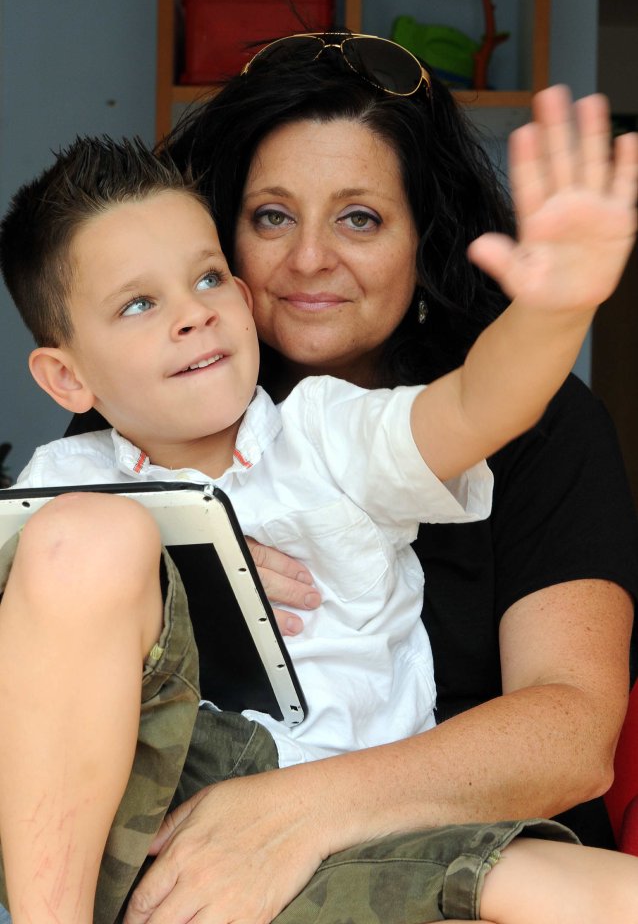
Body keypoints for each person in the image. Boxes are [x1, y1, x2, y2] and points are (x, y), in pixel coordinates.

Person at [0, 117, 637, 924]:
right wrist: (174, 564)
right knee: (81, 538)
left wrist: (556, 310)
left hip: (367, 824)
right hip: (157, 814)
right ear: (66, 376)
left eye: (206, 279)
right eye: (137, 303)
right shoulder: (66, 481)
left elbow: (477, 407)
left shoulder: (328, 433)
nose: (192, 316)